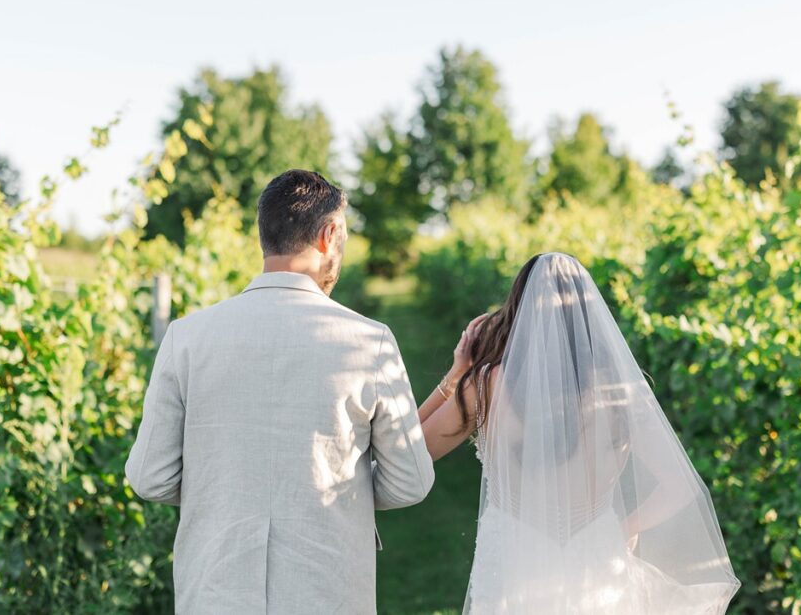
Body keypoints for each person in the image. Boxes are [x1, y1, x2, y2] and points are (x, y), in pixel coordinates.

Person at [125, 169, 434, 614]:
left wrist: (222, 484)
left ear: (264, 236)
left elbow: (149, 476)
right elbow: (410, 482)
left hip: (214, 591)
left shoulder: (186, 337)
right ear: (329, 235)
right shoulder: (370, 342)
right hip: (328, 591)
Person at [418, 252, 741, 614]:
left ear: (519, 310)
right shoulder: (619, 392)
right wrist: (625, 527)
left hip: (514, 560)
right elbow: (680, 487)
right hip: (597, 554)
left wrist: (456, 374)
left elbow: (413, 449)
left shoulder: (485, 387)